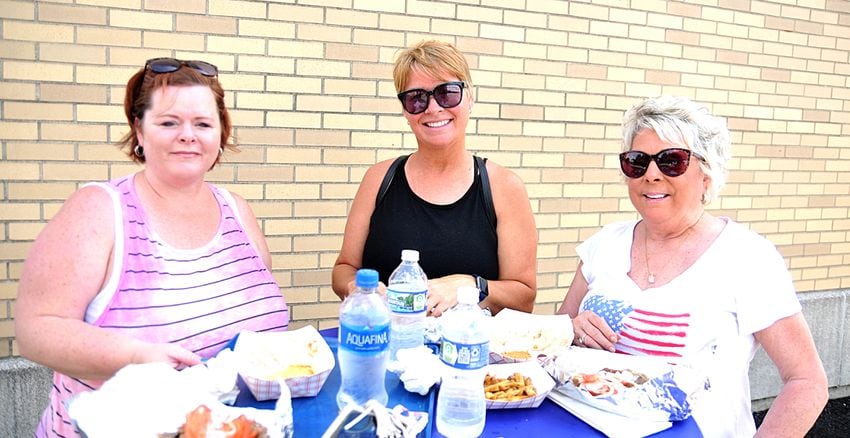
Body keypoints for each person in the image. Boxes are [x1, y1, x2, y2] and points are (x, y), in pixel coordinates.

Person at [14, 58, 290, 438]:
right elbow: (36, 331)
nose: (188, 135)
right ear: (139, 131)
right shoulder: (99, 208)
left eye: (203, 124)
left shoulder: (238, 211)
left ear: (220, 134)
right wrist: (136, 358)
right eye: (169, 122)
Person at [557, 95, 828, 436]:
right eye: (637, 162)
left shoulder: (747, 258)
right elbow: (558, 333)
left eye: (672, 161)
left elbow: (806, 381)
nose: (651, 174)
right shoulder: (604, 244)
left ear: (706, 174)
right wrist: (572, 330)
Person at [332, 40, 537, 316]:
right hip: (388, 346)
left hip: (470, 351)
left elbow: (524, 295)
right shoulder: (379, 180)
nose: (433, 108)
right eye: (416, 98)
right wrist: (362, 290)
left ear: (470, 97)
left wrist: (470, 285)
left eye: (447, 93)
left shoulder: (503, 187)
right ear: (405, 111)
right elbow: (344, 269)